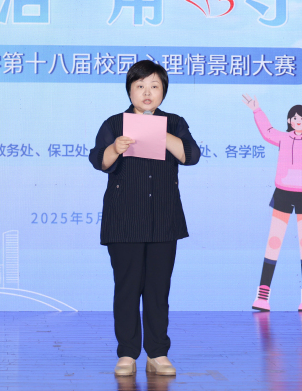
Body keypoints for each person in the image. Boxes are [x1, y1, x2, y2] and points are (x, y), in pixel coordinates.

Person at [89, 60, 200, 377]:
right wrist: (115, 147)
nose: (147, 92)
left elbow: (191, 155)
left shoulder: (175, 123)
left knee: (157, 290)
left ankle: (157, 353)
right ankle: (127, 354)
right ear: (129, 90)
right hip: (124, 220)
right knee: (126, 289)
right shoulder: (115, 123)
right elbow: (98, 160)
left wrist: (161, 135)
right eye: (140, 86)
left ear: (164, 91)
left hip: (164, 219)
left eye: (154, 86)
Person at [242, 95, 302, 311]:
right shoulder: (283, 138)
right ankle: (262, 296)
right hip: (283, 194)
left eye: (301, 118)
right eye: (294, 118)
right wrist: (257, 110)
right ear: (289, 121)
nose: (298, 121)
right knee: (274, 241)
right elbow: (267, 131)